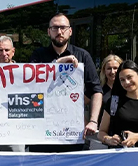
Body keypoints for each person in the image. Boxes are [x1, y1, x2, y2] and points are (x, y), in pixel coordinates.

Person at [29, 13, 103, 151]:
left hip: (73, 132)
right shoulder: (38, 55)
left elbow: (96, 90)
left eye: (63, 28)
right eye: (55, 28)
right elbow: (31, 84)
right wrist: (58, 63)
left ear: (70, 31)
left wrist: (93, 121)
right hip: (43, 132)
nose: (59, 32)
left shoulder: (83, 55)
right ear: (48, 31)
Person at [97, 61, 138, 148]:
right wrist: (108, 139)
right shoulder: (114, 102)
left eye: (129, 77)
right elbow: (101, 132)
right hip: (118, 157)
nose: (127, 82)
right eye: (122, 80)